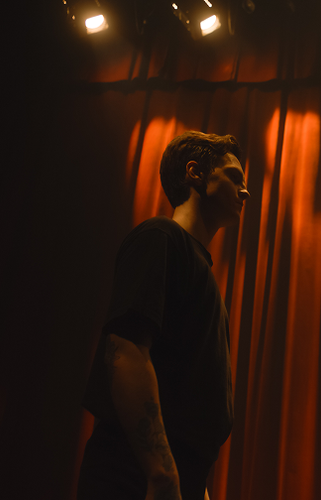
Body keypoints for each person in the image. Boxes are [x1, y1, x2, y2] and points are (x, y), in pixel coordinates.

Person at [77, 131, 250, 500]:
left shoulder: (202, 273)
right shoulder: (161, 237)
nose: (245, 191)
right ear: (195, 173)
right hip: (133, 478)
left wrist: (194, 486)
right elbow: (126, 350)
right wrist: (162, 475)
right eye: (235, 177)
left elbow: (185, 407)